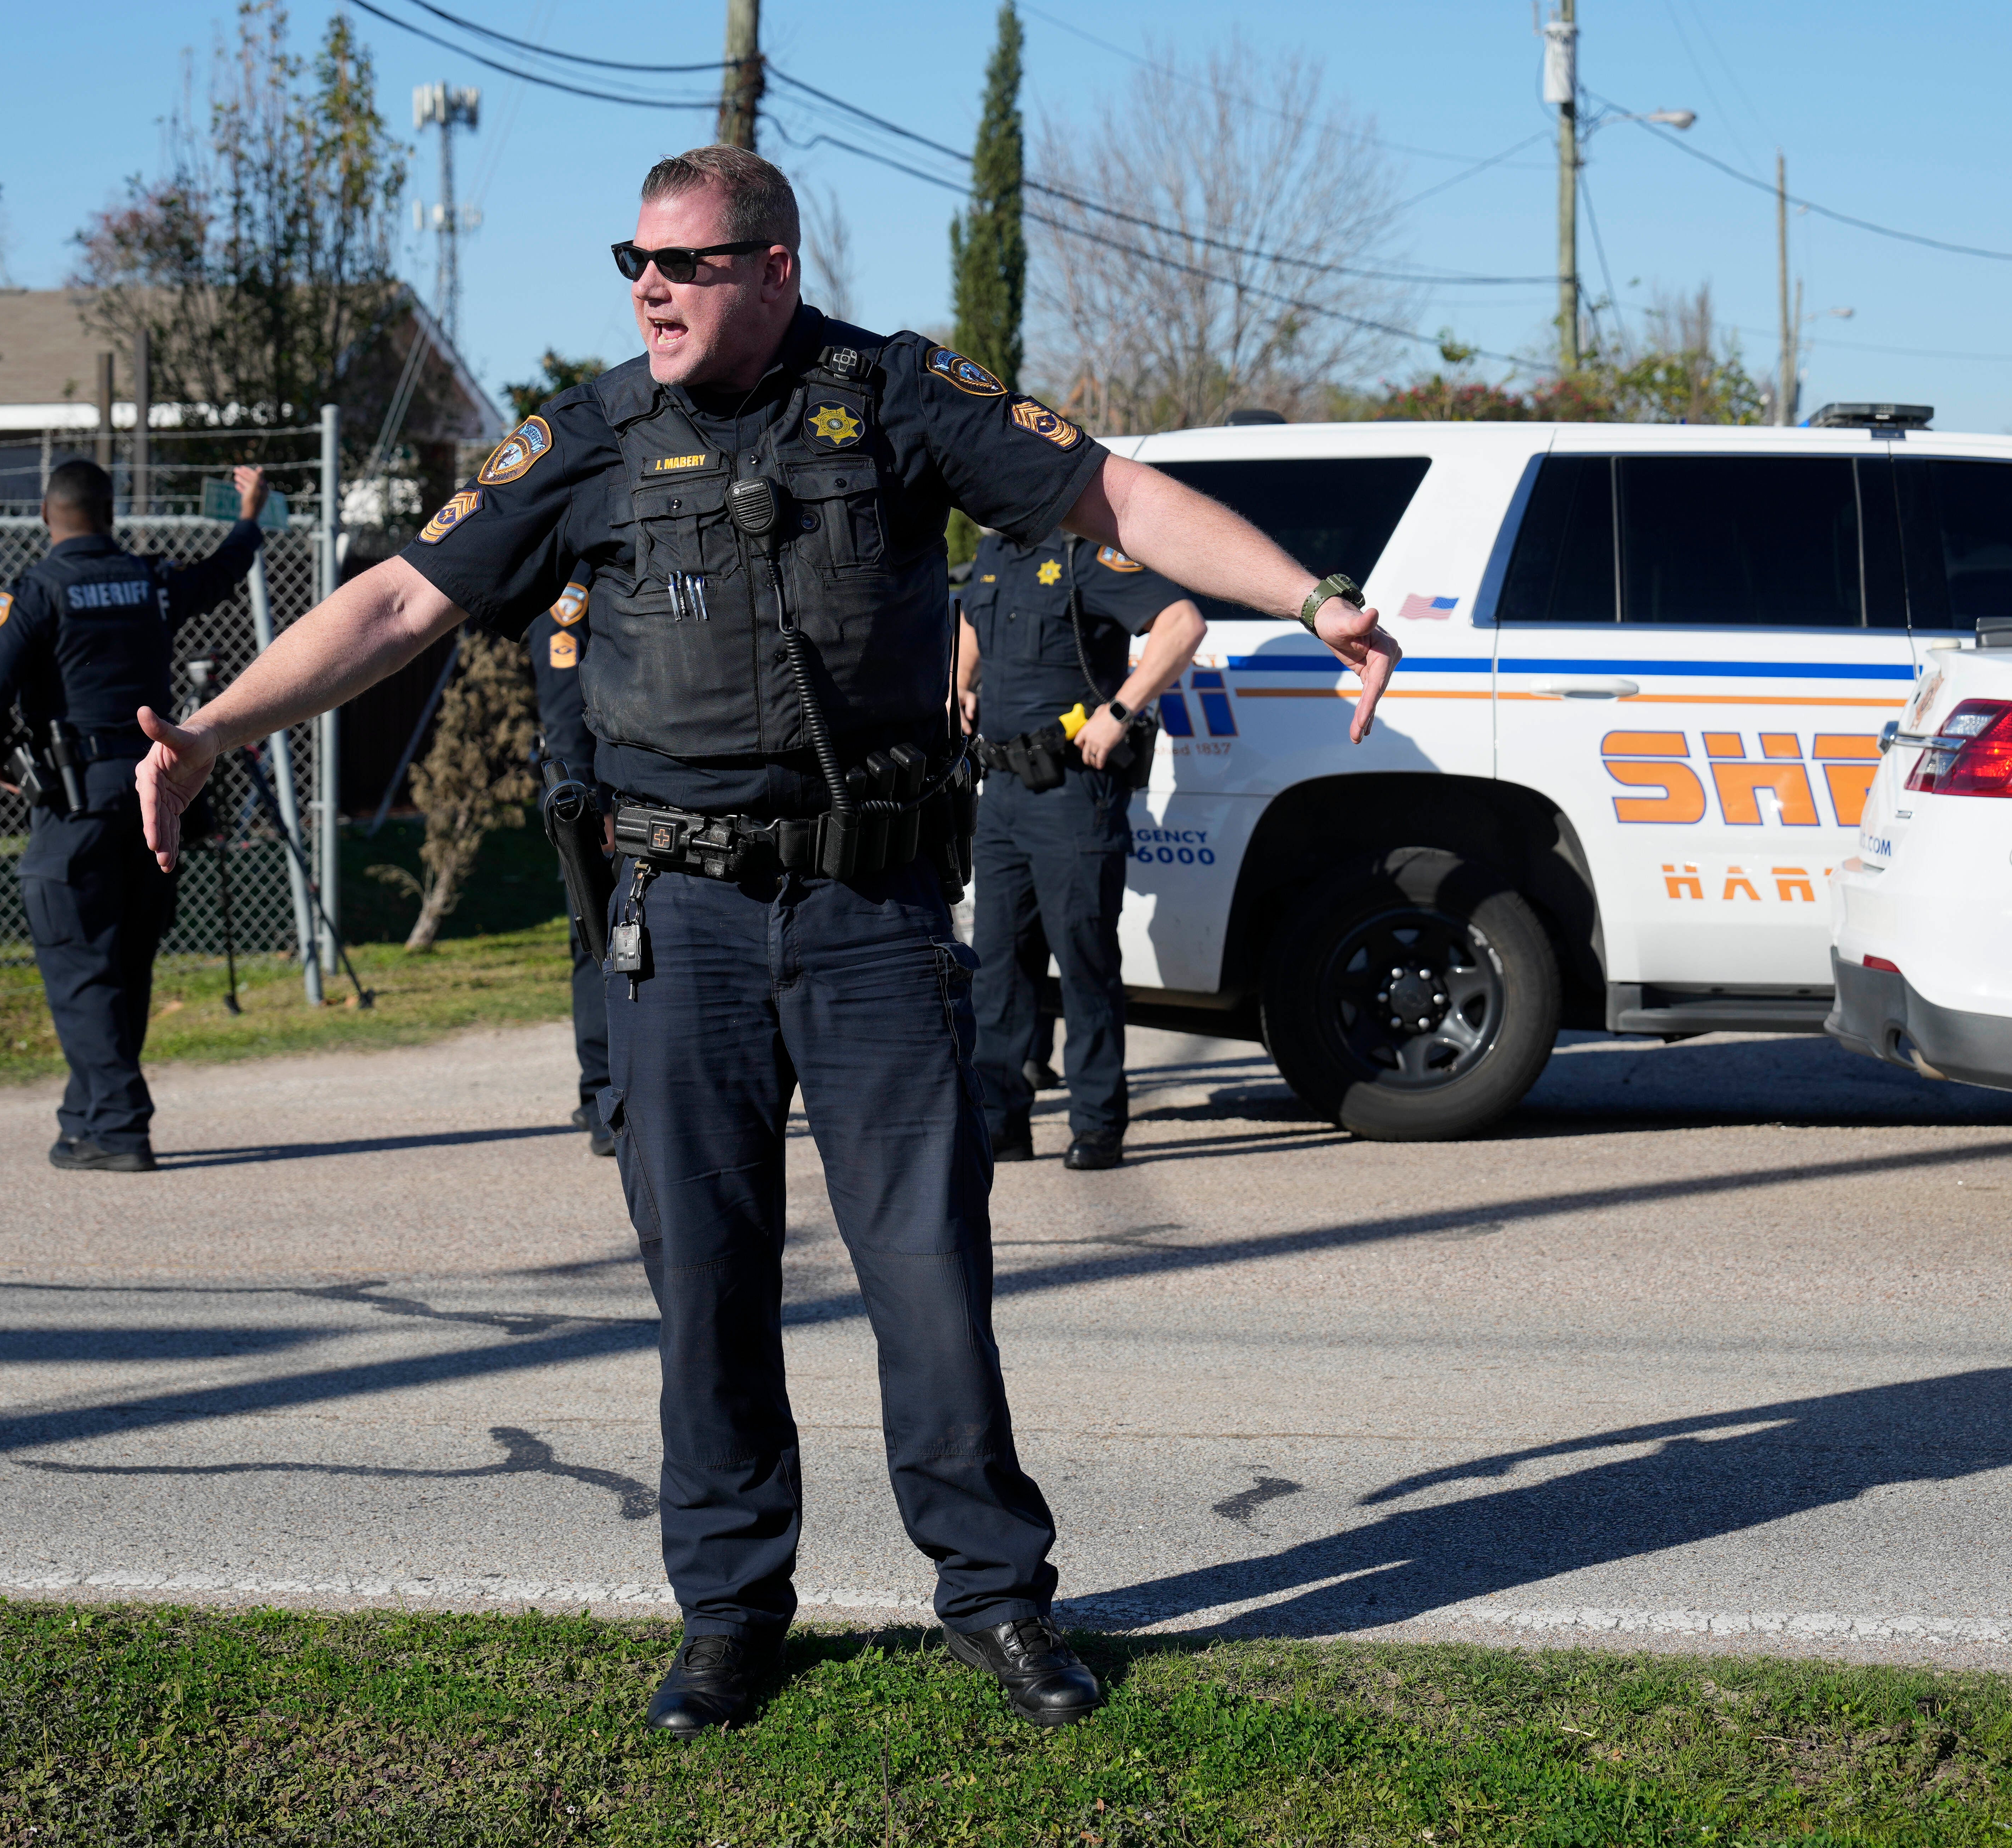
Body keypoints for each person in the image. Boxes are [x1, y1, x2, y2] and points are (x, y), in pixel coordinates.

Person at [125, 147, 1400, 1734]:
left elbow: (1116, 496)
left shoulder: (899, 394)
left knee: (928, 1271)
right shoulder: (588, 436)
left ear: (775, 267)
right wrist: (215, 730)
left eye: (686, 263)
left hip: (873, 912)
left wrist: (1314, 596)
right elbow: (397, 602)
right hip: (683, 922)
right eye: (634, 263)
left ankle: (997, 1599)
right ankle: (730, 1616)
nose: (650, 290)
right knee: (708, 1278)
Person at [0, 458, 266, 1172]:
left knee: (80, 966)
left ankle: (121, 1129)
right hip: (156, 796)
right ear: (111, 513)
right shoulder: (151, 583)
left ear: (47, 514)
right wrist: (249, 518)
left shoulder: (36, 592)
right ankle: (86, 1119)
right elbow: (220, 575)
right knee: (124, 964)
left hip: (79, 804)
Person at [959, 530, 1205, 1169]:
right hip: (1002, 789)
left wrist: (1119, 711)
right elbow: (972, 621)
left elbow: (1182, 624)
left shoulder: (1086, 555)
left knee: (1084, 961)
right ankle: (1000, 1122)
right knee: (997, 965)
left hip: (1072, 791)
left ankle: (1097, 1123)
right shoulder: (994, 553)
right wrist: (960, 682)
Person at [531, 569, 615, 1156]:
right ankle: (603, 1094)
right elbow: (564, 708)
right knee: (598, 941)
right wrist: (586, 806)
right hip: (600, 803)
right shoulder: (572, 589)